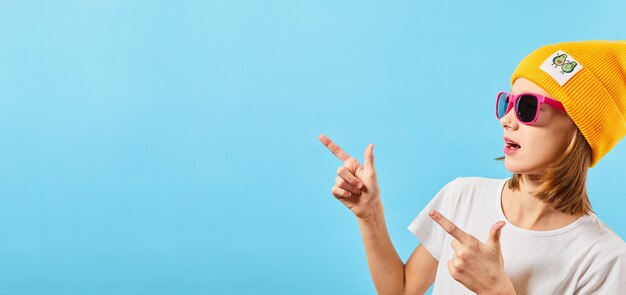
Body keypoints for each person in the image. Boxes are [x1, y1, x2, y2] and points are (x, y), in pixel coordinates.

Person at [318, 40, 626, 294]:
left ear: (580, 130)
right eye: (508, 102)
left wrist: (498, 291)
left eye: (528, 107)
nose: (506, 119)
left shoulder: (604, 258)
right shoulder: (462, 196)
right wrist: (370, 215)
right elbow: (401, 289)